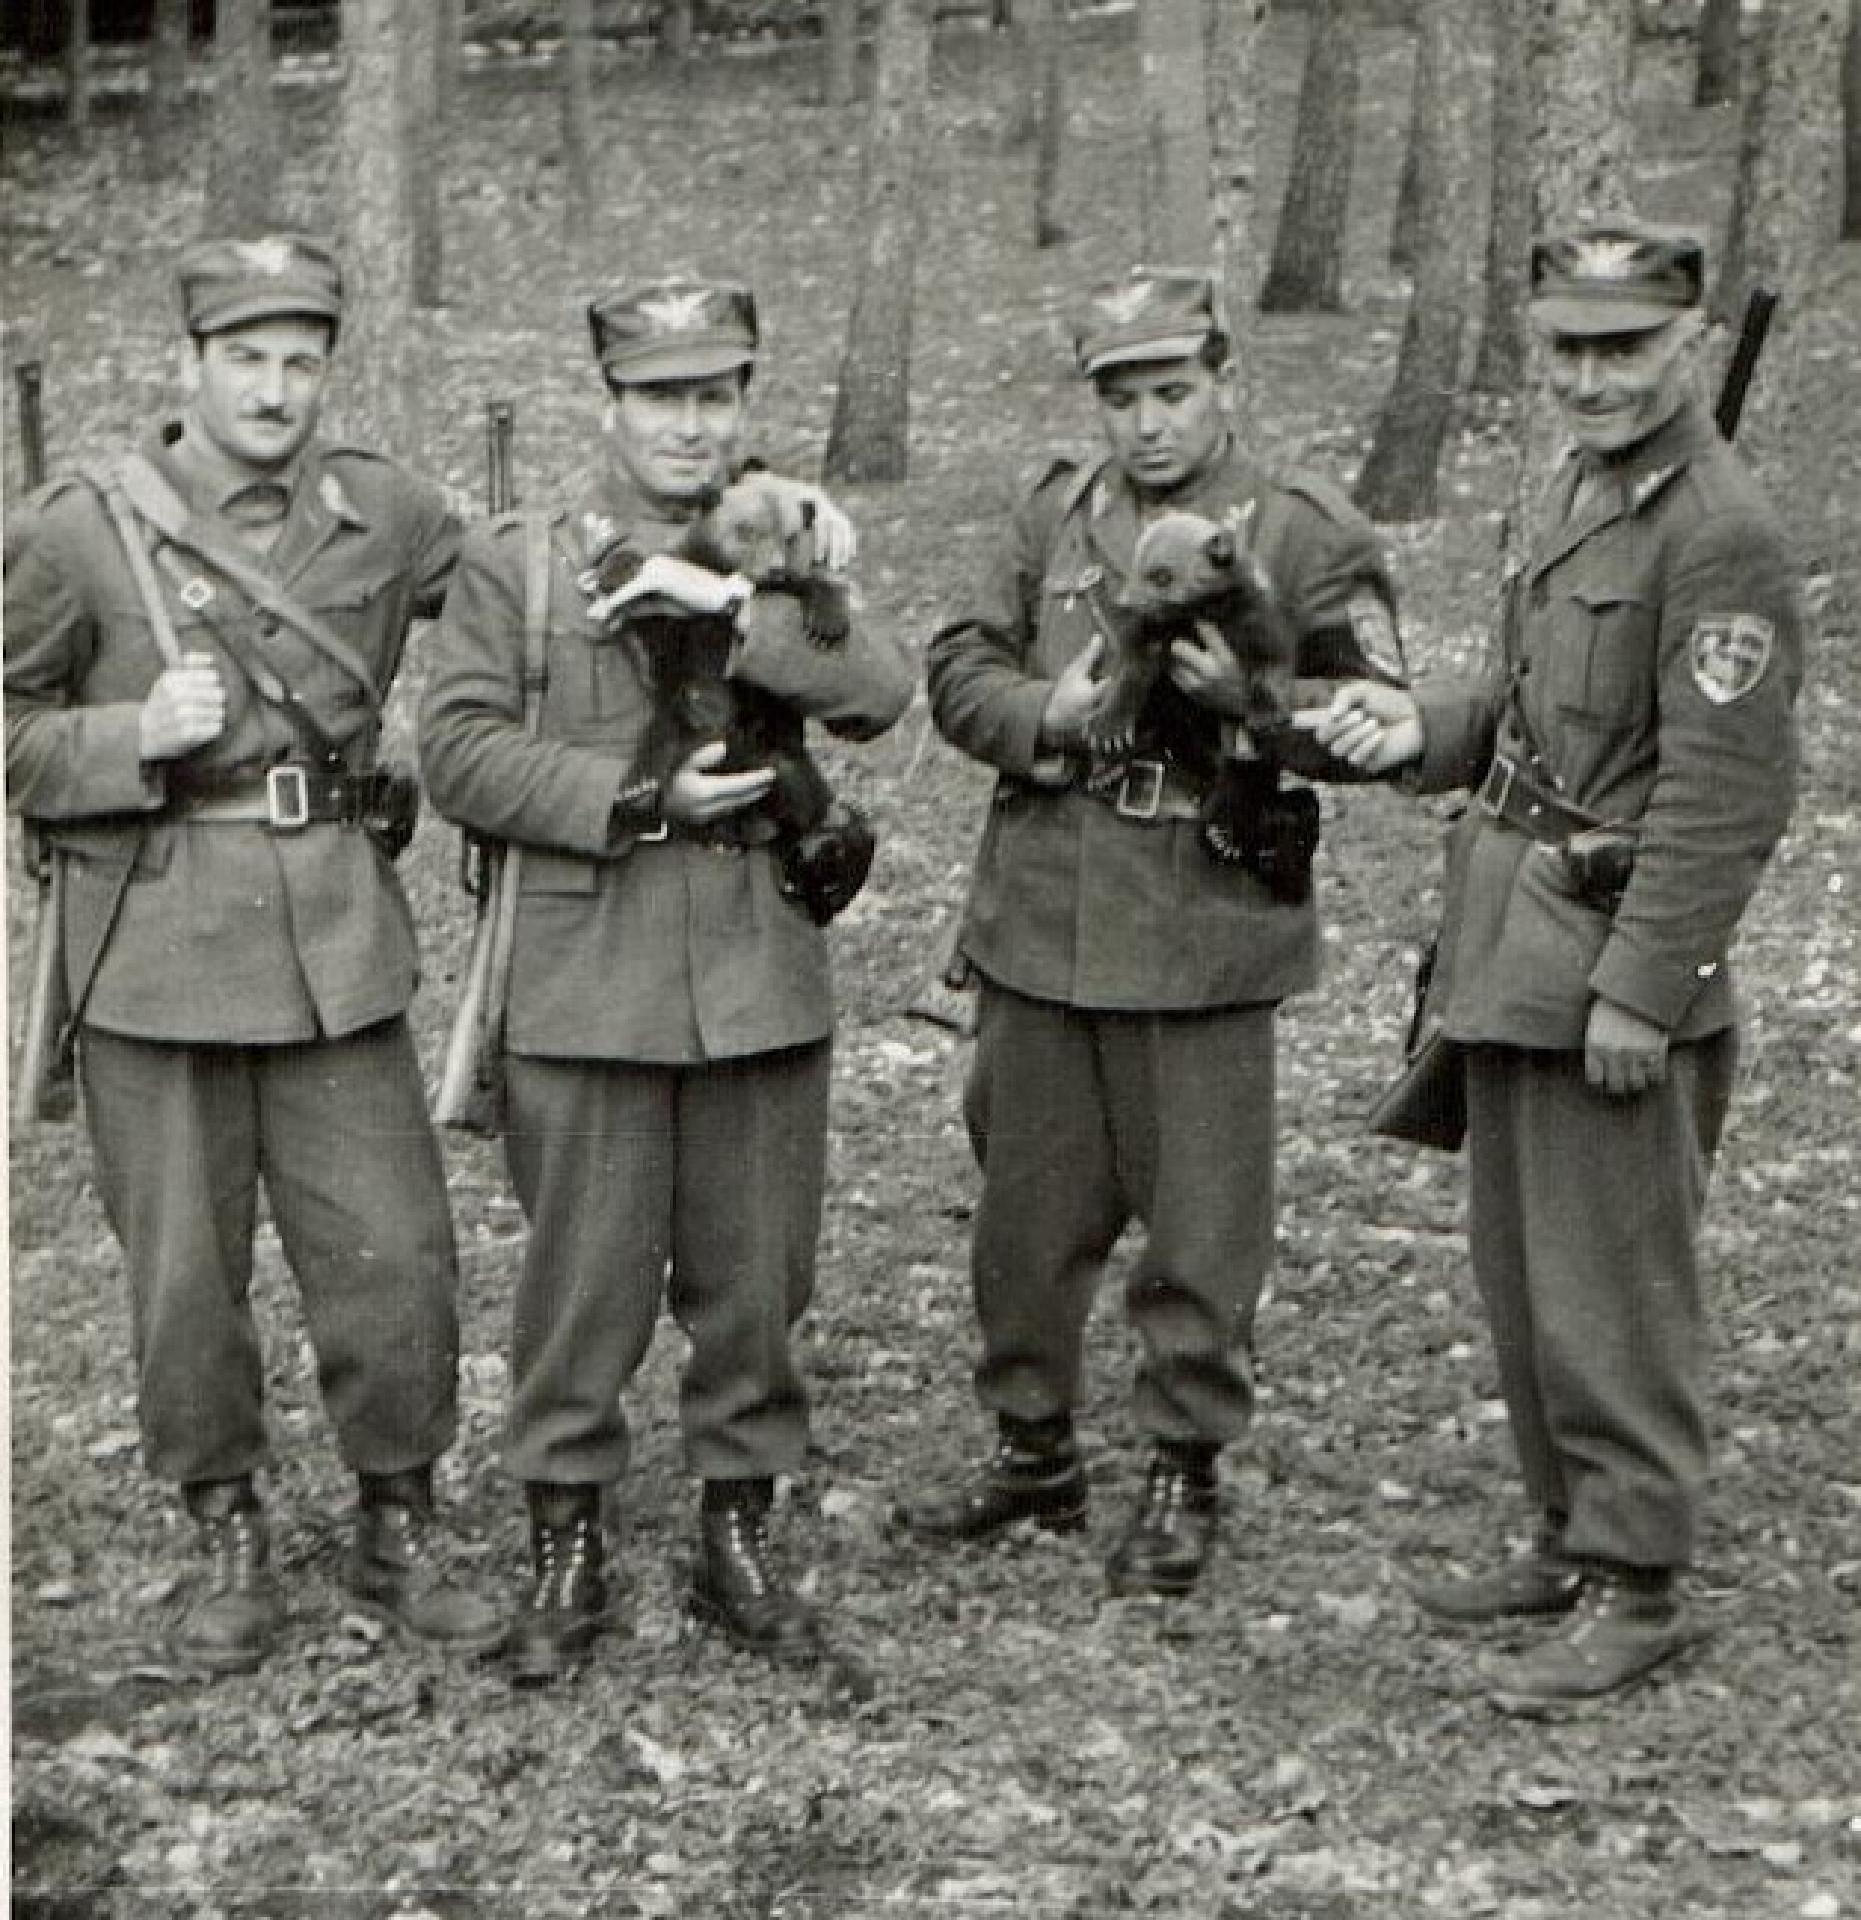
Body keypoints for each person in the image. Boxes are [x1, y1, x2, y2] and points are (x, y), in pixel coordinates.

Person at [1303, 222, 1802, 1710]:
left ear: (1687, 342)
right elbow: (1536, 714)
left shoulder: (1718, 531)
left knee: (1613, 1291)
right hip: (1516, 947)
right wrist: (1424, 730)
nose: (1591, 377)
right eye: (1568, 348)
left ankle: (1637, 1581)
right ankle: (1567, 1534)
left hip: (1608, 965)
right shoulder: (1586, 486)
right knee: (1528, 1279)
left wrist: (1644, 993)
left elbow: (1723, 799)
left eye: (1623, 348)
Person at [4, 234, 499, 1673]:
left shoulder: (386, 512)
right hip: (153, 948)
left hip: (335, 944)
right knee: (182, 1272)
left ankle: (395, 1519)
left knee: (397, 1253)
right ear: (192, 364)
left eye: (300, 361)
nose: (276, 390)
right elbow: (10, 728)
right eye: (246, 359)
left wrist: (740, 527)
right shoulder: (78, 532)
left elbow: (527, 593)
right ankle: (225, 1522)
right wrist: (127, 735)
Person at [418, 276, 913, 1684]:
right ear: (610, 405)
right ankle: (564, 1540)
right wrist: (638, 798)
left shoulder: (783, 542)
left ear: (743, 403)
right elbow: (457, 752)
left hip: (757, 969)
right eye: (660, 398)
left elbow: (878, 691)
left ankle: (735, 1534)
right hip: (589, 974)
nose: (689, 425)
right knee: (582, 1284)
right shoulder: (522, 562)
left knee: (757, 1278)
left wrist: (745, 604)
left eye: (713, 396)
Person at [900, 268, 1406, 1597]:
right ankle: (1031, 1448)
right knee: (1024, 1207)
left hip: (1201, 912)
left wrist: (1259, 706)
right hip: (1049, 908)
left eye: (1173, 392)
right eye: (1121, 398)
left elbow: (1379, 720)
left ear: (1223, 380)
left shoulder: (1297, 529)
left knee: (1200, 1215)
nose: (1147, 424)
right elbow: (956, 665)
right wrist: (1044, 716)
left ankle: (1185, 1464)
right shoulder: (1055, 515)